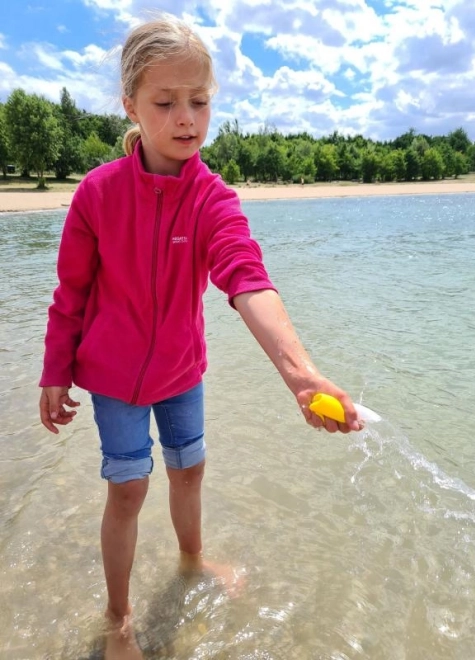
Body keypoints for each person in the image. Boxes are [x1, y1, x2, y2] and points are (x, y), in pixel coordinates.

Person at [39, 15, 362, 660]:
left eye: (200, 100)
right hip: (112, 378)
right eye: (166, 102)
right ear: (130, 103)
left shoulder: (212, 199)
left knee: (190, 471)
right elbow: (70, 292)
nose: (186, 117)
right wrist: (55, 371)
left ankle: (193, 561)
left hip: (182, 370)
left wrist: (300, 373)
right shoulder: (98, 194)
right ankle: (118, 617)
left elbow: (245, 275)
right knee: (128, 488)